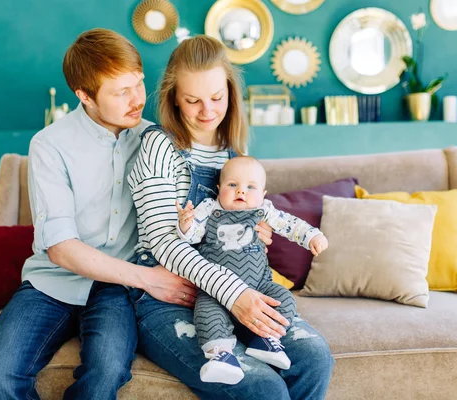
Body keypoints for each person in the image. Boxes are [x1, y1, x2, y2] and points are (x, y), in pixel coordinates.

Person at [0, 28, 198, 400]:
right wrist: (149, 279)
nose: (137, 99)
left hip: (116, 289)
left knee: (107, 373)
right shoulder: (49, 145)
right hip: (51, 282)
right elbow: (61, 249)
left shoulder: (154, 140)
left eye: (139, 84)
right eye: (120, 91)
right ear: (84, 96)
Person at [128, 34, 334, 400]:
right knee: (262, 388)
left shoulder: (234, 154)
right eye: (192, 100)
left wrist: (255, 236)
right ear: (174, 98)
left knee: (314, 358)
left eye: (216, 98)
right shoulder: (159, 146)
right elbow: (163, 242)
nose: (207, 111)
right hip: (169, 296)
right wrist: (236, 293)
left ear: (230, 92)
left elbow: (253, 223)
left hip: (234, 288)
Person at [175, 155, 329, 384]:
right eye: (232, 185)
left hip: (260, 285)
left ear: (263, 194)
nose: (241, 192)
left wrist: (311, 236)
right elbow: (192, 236)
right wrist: (186, 225)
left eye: (250, 187)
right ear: (218, 189)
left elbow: (289, 224)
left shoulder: (264, 210)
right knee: (206, 313)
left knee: (284, 300)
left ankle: (265, 340)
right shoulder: (208, 208)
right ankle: (221, 356)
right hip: (216, 290)